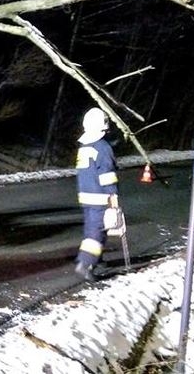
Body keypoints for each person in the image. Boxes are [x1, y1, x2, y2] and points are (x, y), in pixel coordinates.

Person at [74, 107, 119, 282]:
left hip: (86, 196)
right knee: (96, 234)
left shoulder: (84, 147)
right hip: (100, 197)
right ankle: (85, 264)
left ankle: (97, 259)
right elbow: (106, 174)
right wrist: (113, 195)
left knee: (94, 229)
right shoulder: (103, 147)